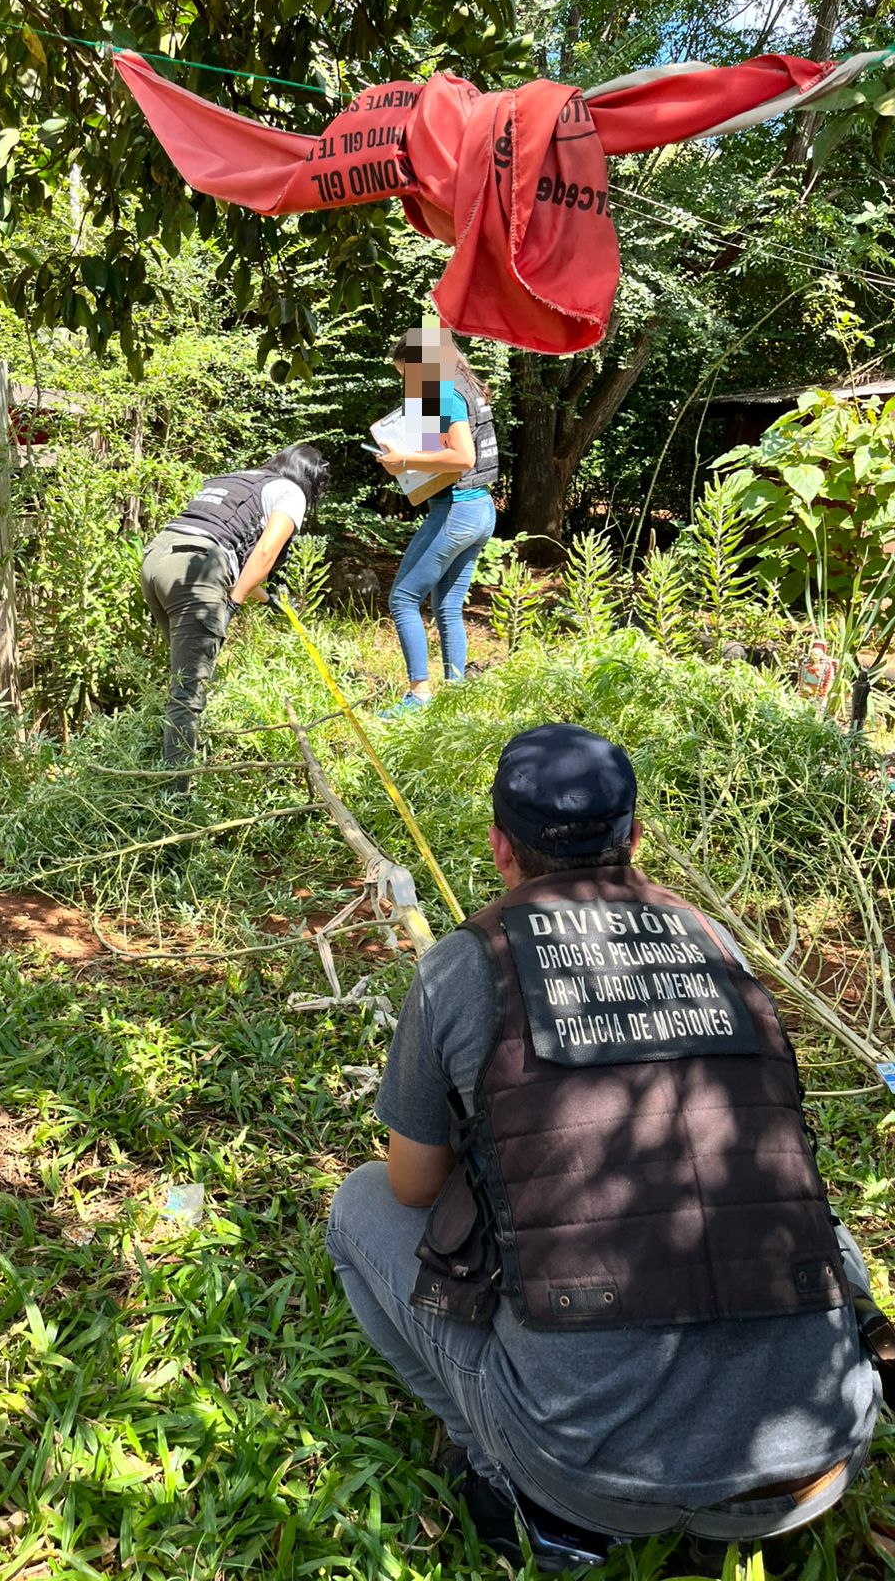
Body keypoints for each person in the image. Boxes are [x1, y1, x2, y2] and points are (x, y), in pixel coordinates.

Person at [327, 723, 881, 1564]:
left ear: (500, 849)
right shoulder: (718, 943)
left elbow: (410, 1184)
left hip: (592, 1470)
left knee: (358, 1205)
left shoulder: (465, 964)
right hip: (817, 1459)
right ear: (637, 838)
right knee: (827, 1232)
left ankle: (516, 1493)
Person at [140, 443, 330, 777]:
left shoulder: (239, 479)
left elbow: (230, 558)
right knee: (187, 696)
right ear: (310, 479)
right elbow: (264, 555)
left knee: (181, 680)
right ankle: (176, 802)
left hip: (156, 560)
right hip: (197, 569)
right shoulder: (291, 493)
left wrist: (270, 601)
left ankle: (160, 763)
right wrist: (232, 603)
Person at [374, 327, 499, 718]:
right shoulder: (465, 384)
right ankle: (455, 694)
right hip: (481, 510)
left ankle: (420, 694)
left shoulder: (442, 391)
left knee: (403, 599)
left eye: (407, 375)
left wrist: (404, 461)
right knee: (447, 605)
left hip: (457, 512)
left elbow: (462, 458)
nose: (407, 385)